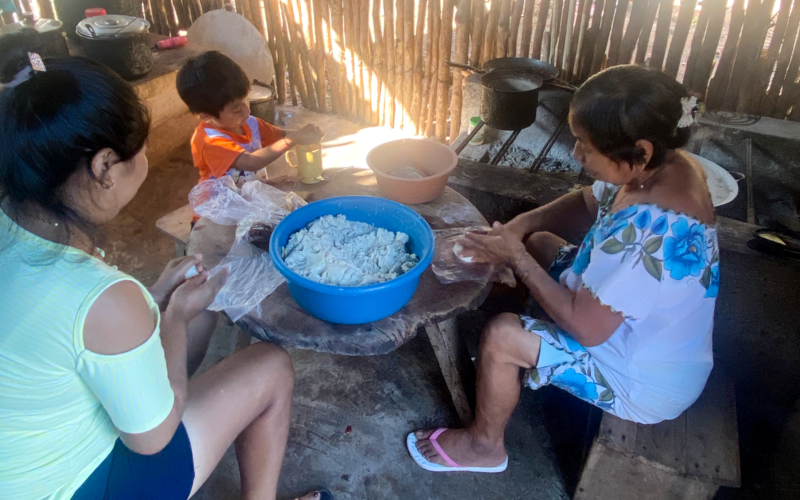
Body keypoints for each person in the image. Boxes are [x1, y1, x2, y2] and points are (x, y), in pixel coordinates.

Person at [0, 32, 330, 500]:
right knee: (272, 364)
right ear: (105, 166)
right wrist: (172, 317)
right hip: (83, 484)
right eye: (142, 149)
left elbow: (71, 335)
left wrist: (154, 298)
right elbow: (152, 438)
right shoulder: (103, 296)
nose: (148, 159)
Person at [407, 65, 719, 473]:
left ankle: (484, 446)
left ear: (637, 151)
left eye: (586, 147)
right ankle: (527, 348)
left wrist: (515, 258)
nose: (577, 154)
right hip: (637, 330)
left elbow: (588, 329)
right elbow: (587, 201)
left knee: (501, 336)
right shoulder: (664, 165)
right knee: (540, 243)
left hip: (640, 376)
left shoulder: (652, 231)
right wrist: (518, 231)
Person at [176, 50, 323, 187]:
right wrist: (293, 139)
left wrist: (304, 133)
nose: (247, 111)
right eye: (236, 109)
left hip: (251, 197)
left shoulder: (251, 123)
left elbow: (281, 135)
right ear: (206, 115)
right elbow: (252, 162)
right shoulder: (209, 141)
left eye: (246, 101)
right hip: (222, 208)